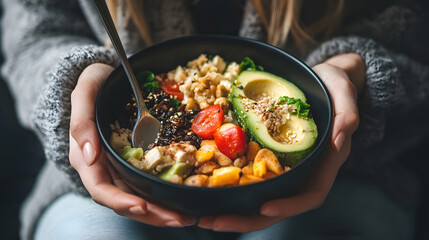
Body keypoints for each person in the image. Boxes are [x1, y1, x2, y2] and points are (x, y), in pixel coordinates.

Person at [1, 0, 428, 239]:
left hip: (349, 172)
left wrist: (356, 73)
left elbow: (415, 36)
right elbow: (34, 33)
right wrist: (77, 81)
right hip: (111, 179)